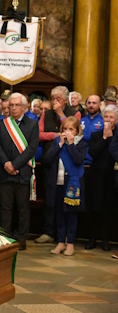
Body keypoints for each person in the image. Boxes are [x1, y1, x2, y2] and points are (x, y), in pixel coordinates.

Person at [0, 93, 39, 250]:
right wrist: (6, 163)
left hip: (23, 172)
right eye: (10, 105)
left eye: (17, 105)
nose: (13, 108)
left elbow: (32, 148)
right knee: (5, 207)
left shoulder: (32, 124)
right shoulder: (1, 124)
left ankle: (21, 238)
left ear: (25, 107)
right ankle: (5, 237)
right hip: (4, 171)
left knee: (22, 208)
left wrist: (15, 165)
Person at [35, 86, 80, 244]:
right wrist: (55, 135)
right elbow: (39, 135)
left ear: (66, 99)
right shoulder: (45, 114)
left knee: (66, 201)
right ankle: (48, 232)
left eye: (58, 99)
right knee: (49, 197)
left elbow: (76, 132)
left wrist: (61, 114)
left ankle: (65, 236)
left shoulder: (75, 113)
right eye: (52, 98)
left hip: (69, 163)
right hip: (50, 159)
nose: (54, 102)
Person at [43, 117, 87, 256]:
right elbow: (48, 159)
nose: (67, 132)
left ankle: (70, 243)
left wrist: (71, 144)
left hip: (72, 185)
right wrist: (60, 144)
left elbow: (78, 160)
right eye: (65, 129)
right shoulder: (58, 143)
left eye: (71, 129)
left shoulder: (81, 144)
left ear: (77, 131)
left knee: (71, 215)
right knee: (60, 214)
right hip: (58, 183)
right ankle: (61, 242)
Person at [85, 105, 116, 251]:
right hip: (96, 177)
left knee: (107, 210)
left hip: (111, 177)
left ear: (116, 120)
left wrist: (111, 138)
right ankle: (92, 239)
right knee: (95, 208)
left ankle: (105, 240)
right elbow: (93, 153)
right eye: (106, 117)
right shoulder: (96, 135)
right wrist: (105, 138)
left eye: (111, 117)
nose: (108, 120)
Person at [80, 94, 103, 165]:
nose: (91, 105)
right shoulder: (81, 120)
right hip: (81, 159)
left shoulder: (103, 121)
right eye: (89, 103)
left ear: (99, 105)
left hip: (96, 160)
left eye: (94, 103)